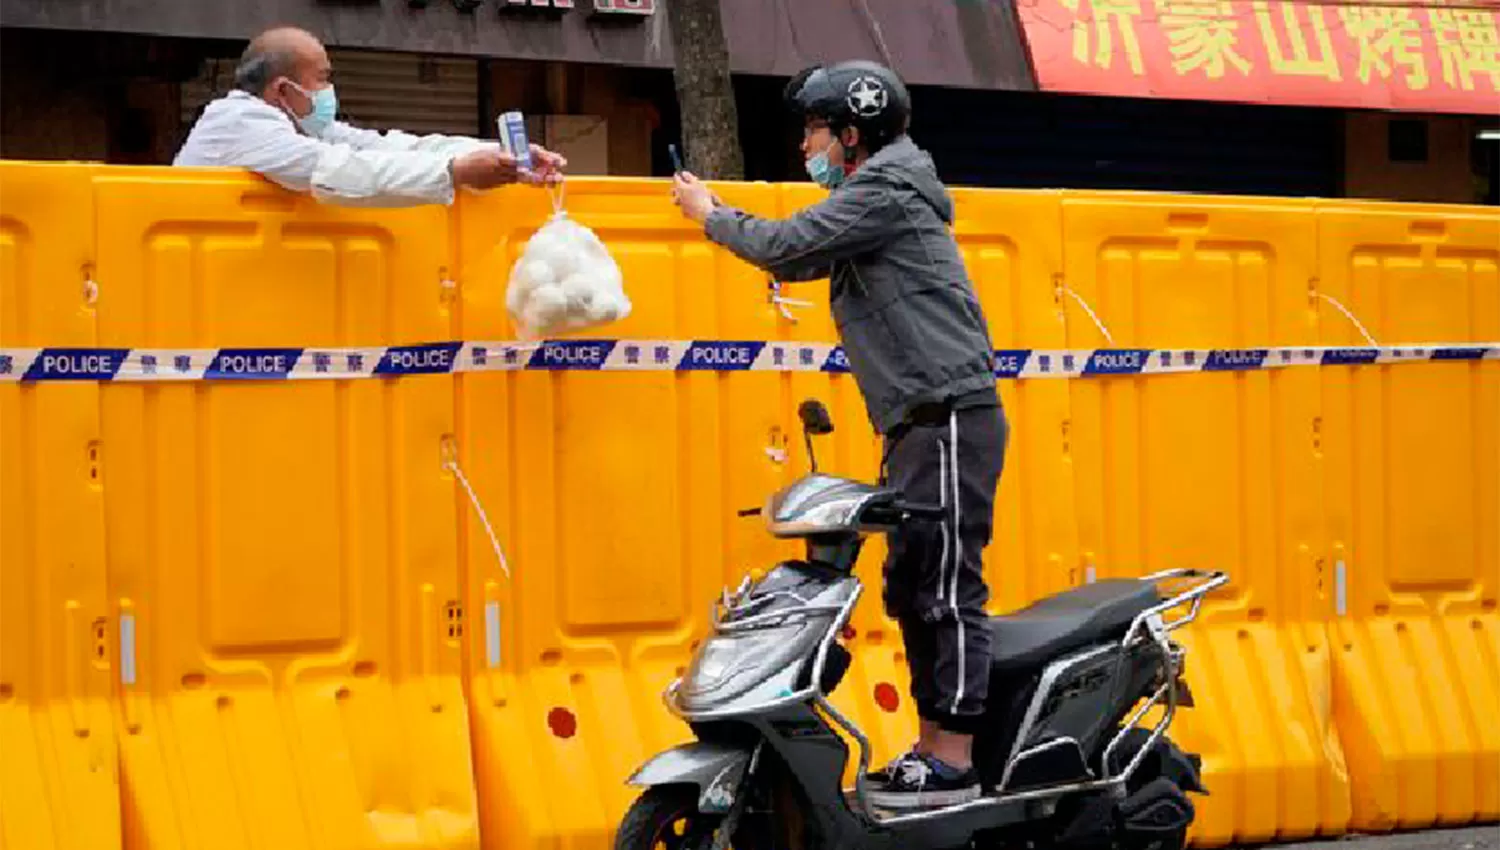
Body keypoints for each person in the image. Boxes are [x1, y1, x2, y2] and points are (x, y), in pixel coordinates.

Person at [670, 60, 1008, 810]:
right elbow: (805, 260)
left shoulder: (884, 190)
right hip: (921, 422)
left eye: (815, 132)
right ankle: (931, 750)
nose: (805, 148)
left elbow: (786, 248)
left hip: (947, 415)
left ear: (852, 136)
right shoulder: (880, 192)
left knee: (945, 585)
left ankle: (953, 761)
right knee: (914, 583)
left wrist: (707, 211)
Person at [174, 27, 567, 207]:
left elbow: (392, 146)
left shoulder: (306, 127)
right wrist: (454, 173)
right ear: (281, 89)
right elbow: (342, 171)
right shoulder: (239, 122)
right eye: (323, 78)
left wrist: (500, 155)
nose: (329, 90)